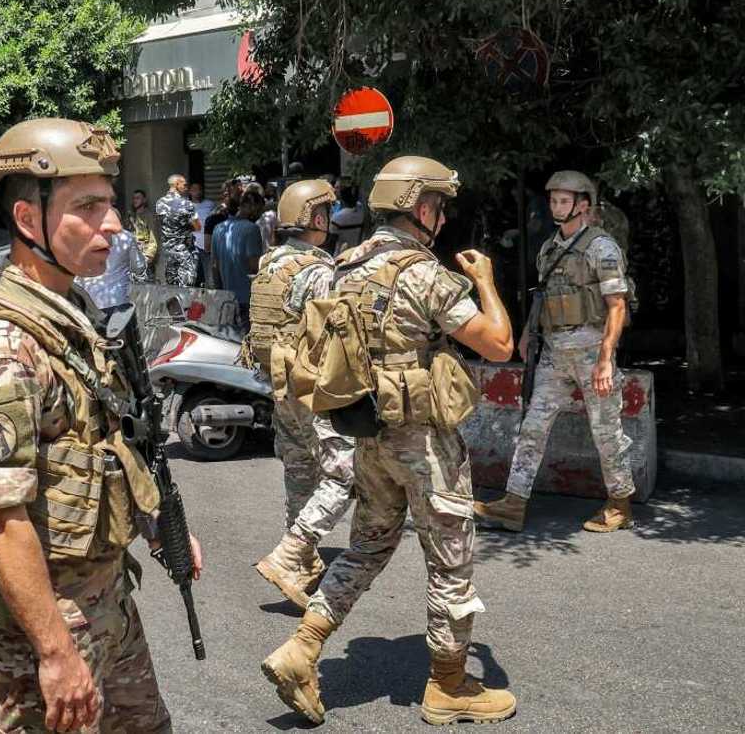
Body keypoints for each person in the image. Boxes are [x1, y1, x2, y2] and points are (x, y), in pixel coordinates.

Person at [0, 118, 202, 733]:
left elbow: (108, 439)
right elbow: (0, 516)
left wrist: (156, 521)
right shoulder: (1, 347)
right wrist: (54, 652)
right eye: (89, 207)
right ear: (29, 220)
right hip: (45, 621)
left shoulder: (72, 313)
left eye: (110, 202)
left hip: (105, 595)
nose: (114, 224)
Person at [262, 156, 517, 726]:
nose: (444, 217)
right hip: (424, 445)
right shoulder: (424, 273)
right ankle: (448, 685)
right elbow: (499, 344)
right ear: (421, 208)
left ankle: (301, 648)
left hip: (366, 436)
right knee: (450, 562)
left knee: (367, 547)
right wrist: (486, 281)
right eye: (440, 207)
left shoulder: (341, 266)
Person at [475, 170, 637, 533]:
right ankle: (513, 504)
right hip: (554, 352)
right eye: (553, 200)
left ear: (583, 205)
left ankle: (620, 503)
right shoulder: (550, 247)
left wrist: (606, 358)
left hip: (591, 350)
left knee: (606, 431)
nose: (556, 207)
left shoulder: (601, 247)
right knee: (531, 427)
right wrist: (529, 333)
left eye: (563, 201)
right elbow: (544, 295)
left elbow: (617, 306)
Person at [248, 180, 355, 607]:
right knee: (345, 473)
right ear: (315, 218)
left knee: (300, 468)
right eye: (325, 214)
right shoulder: (318, 270)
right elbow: (340, 328)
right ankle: (292, 553)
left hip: (279, 383)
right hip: (312, 385)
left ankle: (303, 562)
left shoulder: (271, 262)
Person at [73, 211, 147, 309]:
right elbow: (139, 266)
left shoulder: (87, 238)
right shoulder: (127, 237)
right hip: (118, 299)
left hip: (91, 302)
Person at [211, 189, 265, 321]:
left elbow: (214, 265)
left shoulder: (218, 228)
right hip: (247, 298)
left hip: (226, 297)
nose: (259, 215)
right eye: (259, 210)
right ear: (250, 206)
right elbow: (254, 266)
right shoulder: (252, 229)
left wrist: (220, 292)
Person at [155, 174, 200, 287]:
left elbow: (159, 225)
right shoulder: (186, 204)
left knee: (171, 288)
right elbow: (198, 227)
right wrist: (185, 226)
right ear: (176, 185)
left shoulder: (159, 203)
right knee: (187, 288)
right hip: (184, 252)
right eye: (184, 184)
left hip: (167, 252)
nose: (186, 187)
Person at [125, 189, 156, 281]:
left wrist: (149, 257)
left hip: (144, 257)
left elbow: (153, 237)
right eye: (134, 198)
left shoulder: (148, 216)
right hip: (131, 259)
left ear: (144, 200)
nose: (135, 200)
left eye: (138, 198)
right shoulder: (131, 216)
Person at [189, 182, 216, 286]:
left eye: (199, 189)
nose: (197, 192)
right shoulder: (187, 206)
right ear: (190, 192)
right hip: (193, 247)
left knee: (209, 277)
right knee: (194, 277)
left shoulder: (210, 204)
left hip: (208, 246)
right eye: (194, 189)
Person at [330, 183, 366, 254]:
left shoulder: (338, 218)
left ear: (342, 198)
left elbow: (332, 240)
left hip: (341, 253)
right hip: (358, 251)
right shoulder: (361, 212)